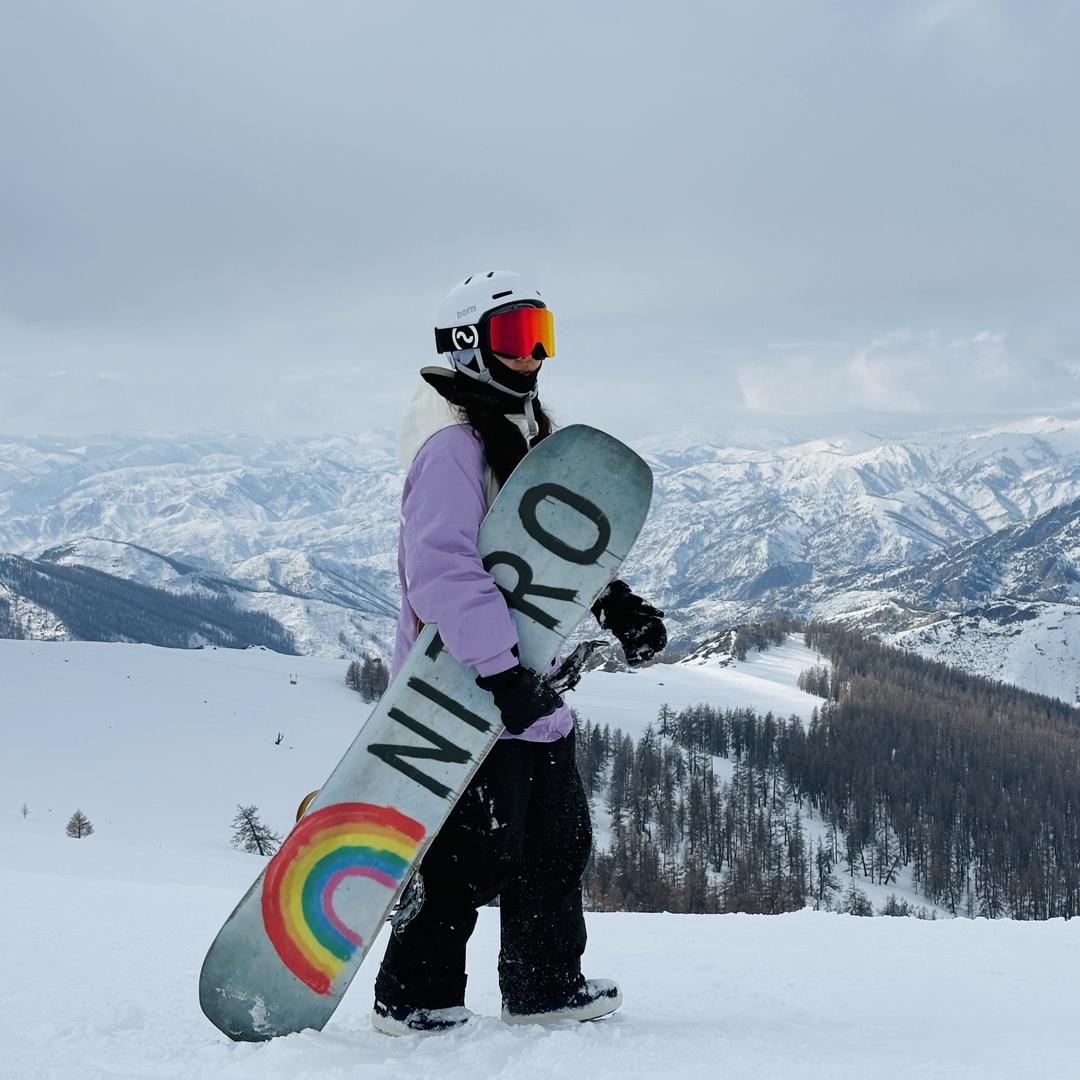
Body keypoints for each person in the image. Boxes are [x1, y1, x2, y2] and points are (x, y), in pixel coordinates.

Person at [371, 270, 667, 1036]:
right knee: (462, 856)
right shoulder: (451, 447)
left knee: (555, 840)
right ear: (467, 344)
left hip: (524, 686)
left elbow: (549, 554)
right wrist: (501, 674)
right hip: (463, 689)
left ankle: (542, 985)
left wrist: (617, 603)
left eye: (543, 335)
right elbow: (443, 572)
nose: (534, 356)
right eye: (514, 338)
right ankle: (413, 997)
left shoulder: (524, 430)